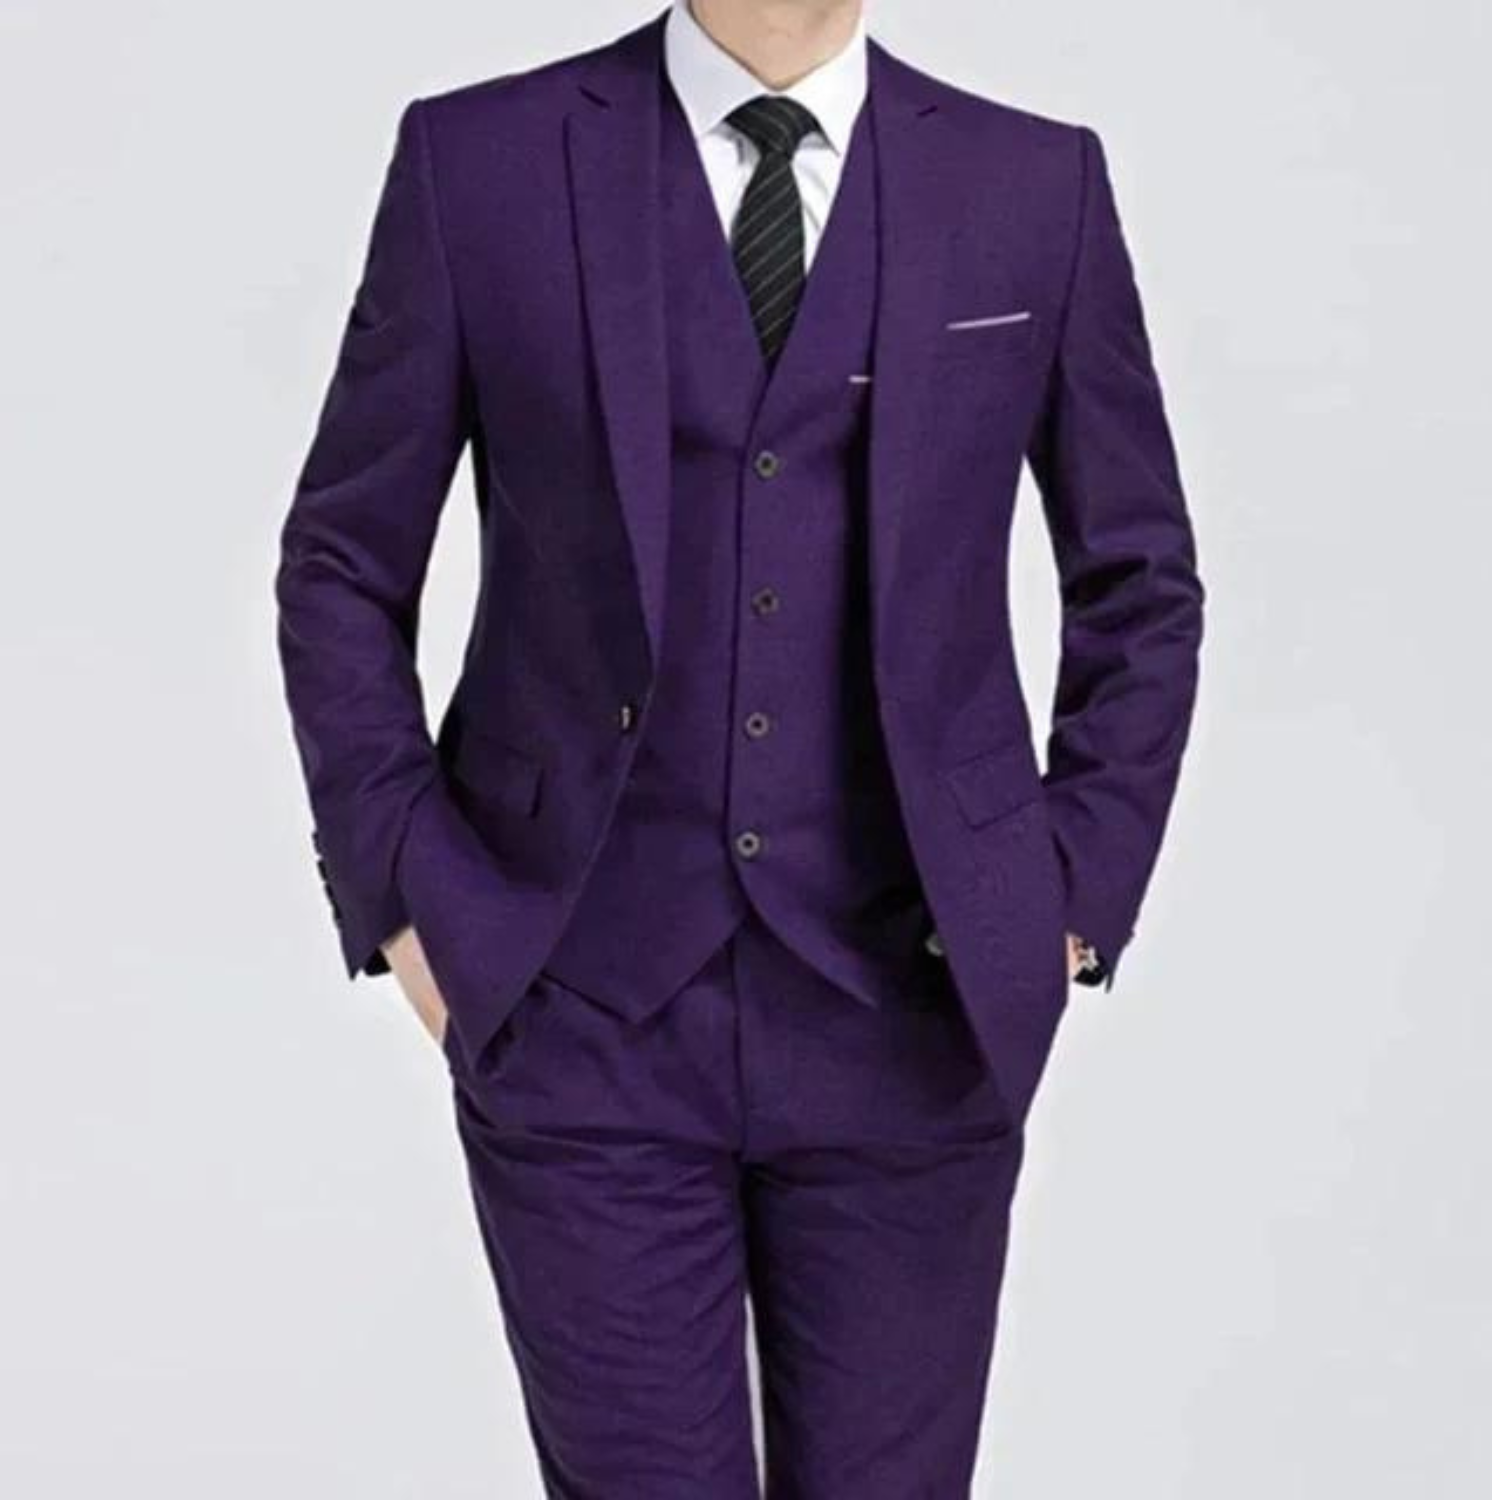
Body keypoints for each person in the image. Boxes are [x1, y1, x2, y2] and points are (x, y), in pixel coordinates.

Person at [274, 1, 1204, 1493]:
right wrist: (404, 894)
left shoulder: (1035, 186)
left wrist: (1071, 896)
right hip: (579, 1002)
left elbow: (1140, 578)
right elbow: (341, 564)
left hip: (917, 1011)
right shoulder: (479, 162)